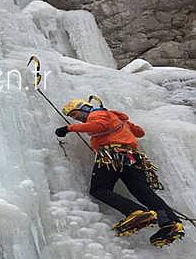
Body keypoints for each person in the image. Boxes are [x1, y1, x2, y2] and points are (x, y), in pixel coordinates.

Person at [54, 98, 185, 247]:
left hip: (112, 154)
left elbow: (99, 125)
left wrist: (68, 128)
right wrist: (121, 127)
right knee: (143, 192)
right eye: (73, 117)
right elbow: (139, 132)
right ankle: (170, 223)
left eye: (75, 114)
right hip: (131, 157)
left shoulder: (97, 114)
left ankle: (135, 211)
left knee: (99, 189)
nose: (76, 118)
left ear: (84, 108)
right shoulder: (117, 118)